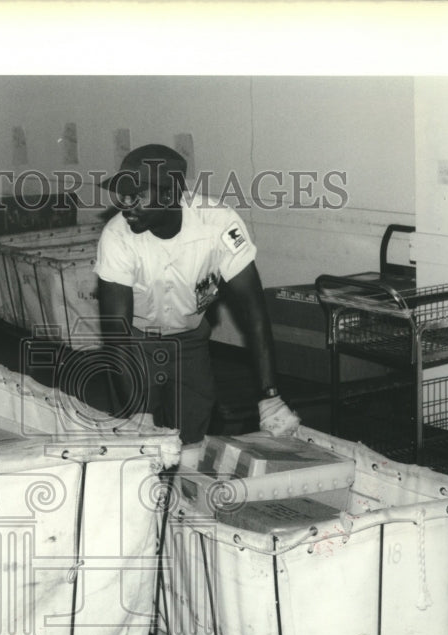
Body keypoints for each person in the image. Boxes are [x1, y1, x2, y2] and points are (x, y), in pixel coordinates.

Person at [94, 143, 299, 444]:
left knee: (191, 441)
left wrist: (270, 396)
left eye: (136, 195)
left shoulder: (218, 224)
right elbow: (116, 333)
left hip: (189, 343)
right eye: (123, 195)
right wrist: (137, 415)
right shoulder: (117, 237)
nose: (127, 205)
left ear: (168, 194)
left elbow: (254, 310)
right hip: (134, 346)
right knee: (138, 452)